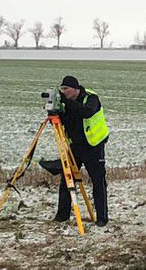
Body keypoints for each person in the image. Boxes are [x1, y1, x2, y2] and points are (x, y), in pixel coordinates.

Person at [54, 75, 110, 227]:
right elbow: (66, 121)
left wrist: (66, 102)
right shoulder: (66, 102)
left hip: (93, 145)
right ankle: (62, 215)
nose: (63, 92)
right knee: (67, 179)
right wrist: (57, 112)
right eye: (62, 89)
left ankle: (102, 218)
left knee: (98, 182)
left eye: (66, 89)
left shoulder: (91, 98)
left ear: (75, 89)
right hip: (75, 146)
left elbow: (86, 112)